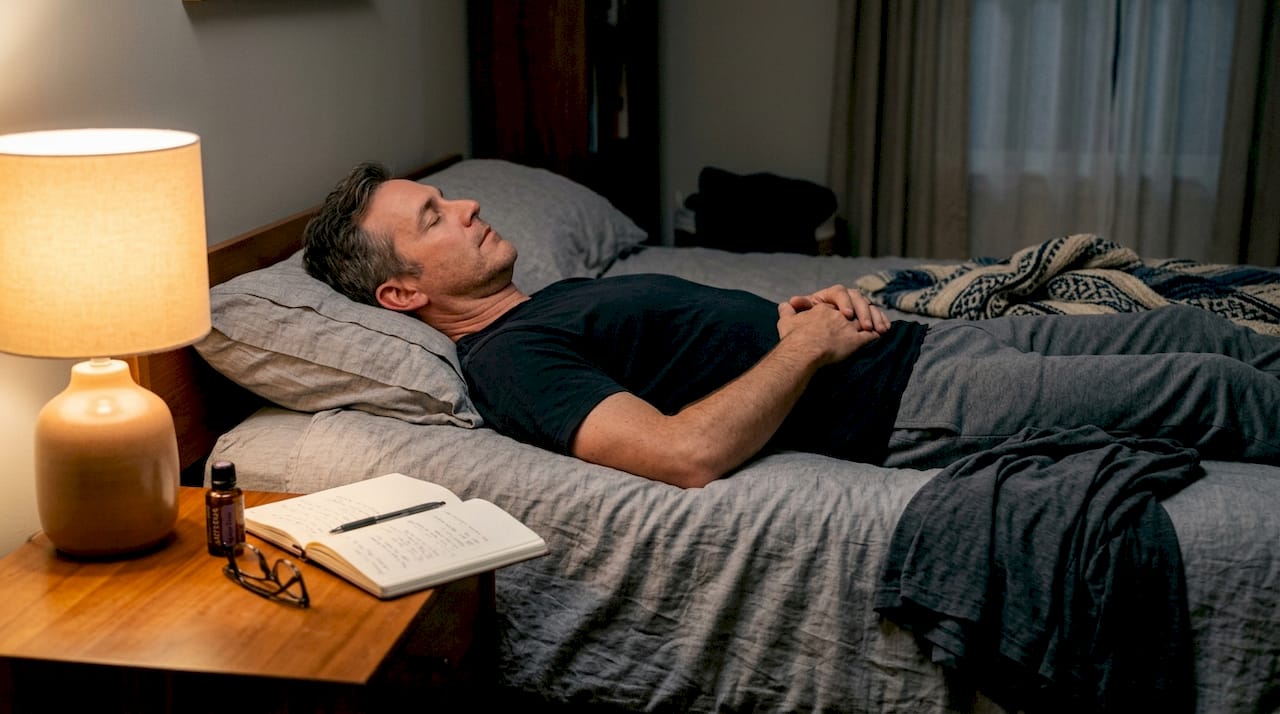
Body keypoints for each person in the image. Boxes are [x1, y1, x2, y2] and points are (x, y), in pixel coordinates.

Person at [302, 162, 1280, 488]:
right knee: (1202, 390)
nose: (467, 212)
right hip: (901, 400)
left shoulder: (548, 297)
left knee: (1192, 333)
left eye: (450, 199)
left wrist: (806, 315)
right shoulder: (510, 359)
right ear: (399, 295)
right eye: (433, 220)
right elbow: (683, 453)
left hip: (907, 344)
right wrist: (806, 345)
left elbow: (703, 355)